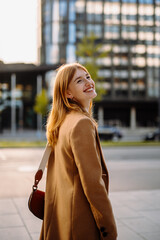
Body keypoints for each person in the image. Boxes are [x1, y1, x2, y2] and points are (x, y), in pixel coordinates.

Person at [39, 63, 117, 240]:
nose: (88, 82)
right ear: (68, 93)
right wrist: (109, 228)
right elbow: (93, 184)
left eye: (88, 77)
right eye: (79, 81)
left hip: (62, 216)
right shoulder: (81, 123)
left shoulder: (61, 122)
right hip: (80, 222)